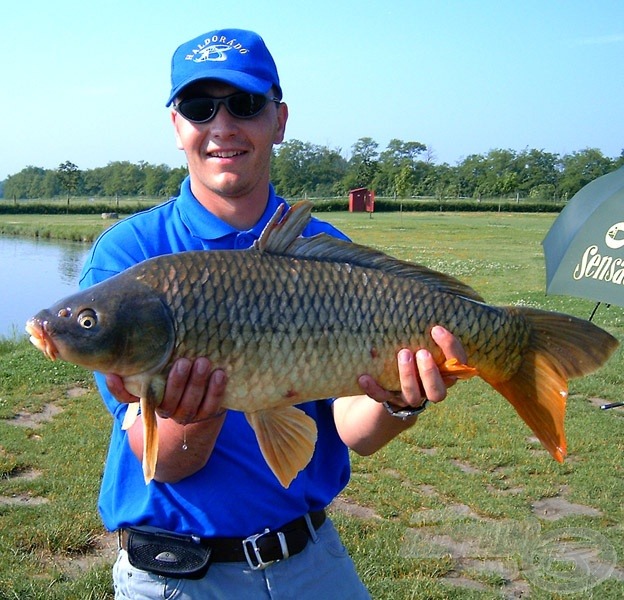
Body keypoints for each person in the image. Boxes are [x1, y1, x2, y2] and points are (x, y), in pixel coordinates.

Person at [79, 28, 467, 599]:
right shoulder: (130, 261)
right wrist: (199, 414)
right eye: (198, 106)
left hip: (311, 561)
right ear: (176, 126)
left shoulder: (325, 252)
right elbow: (164, 464)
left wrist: (400, 403)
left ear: (279, 120)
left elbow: (352, 431)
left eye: (245, 104)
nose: (222, 126)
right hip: (175, 575)